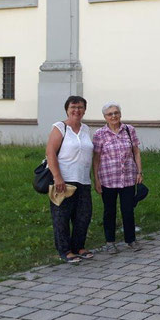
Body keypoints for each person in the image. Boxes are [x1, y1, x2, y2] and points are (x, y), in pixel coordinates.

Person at [46, 96, 94, 263]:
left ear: (84, 110)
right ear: (67, 109)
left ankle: (78, 246)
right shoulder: (60, 127)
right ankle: (65, 250)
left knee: (83, 215)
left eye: (80, 107)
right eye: (73, 107)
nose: (77, 110)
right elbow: (50, 152)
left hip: (83, 180)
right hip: (64, 180)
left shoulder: (86, 129)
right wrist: (57, 177)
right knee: (62, 216)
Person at [92, 101, 143, 254]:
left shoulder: (129, 130)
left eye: (116, 113)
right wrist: (96, 179)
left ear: (120, 114)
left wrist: (139, 172)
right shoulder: (99, 134)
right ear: (105, 117)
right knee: (109, 211)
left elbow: (136, 152)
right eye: (110, 114)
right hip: (108, 179)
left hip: (128, 177)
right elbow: (96, 158)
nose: (113, 116)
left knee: (128, 210)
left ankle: (131, 240)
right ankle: (110, 242)